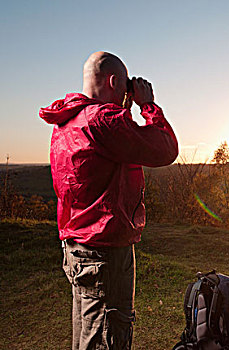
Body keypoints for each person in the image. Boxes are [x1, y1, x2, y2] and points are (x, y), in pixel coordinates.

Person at [39, 51, 178, 349]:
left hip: (77, 246)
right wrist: (148, 106)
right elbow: (165, 149)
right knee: (107, 337)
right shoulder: (104, 120)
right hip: (105, 251)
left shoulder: (67, 121)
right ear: (115, 81)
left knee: (87, 333)